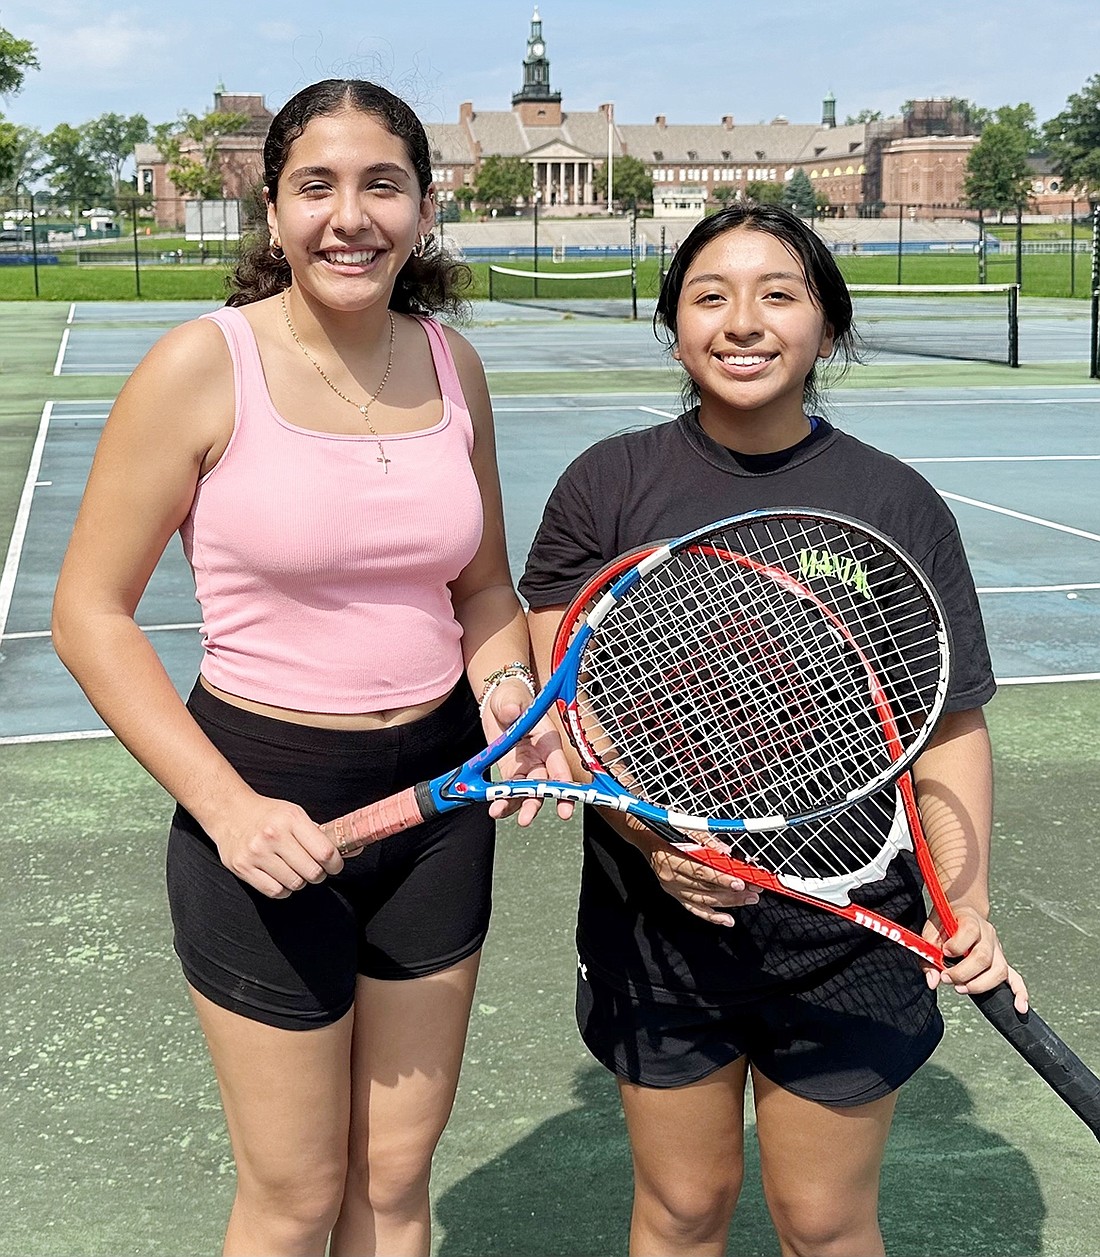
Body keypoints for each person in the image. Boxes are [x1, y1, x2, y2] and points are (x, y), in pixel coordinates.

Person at [52, 78, 569, 1257]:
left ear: (424, 206)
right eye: (316, 187)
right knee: (292, 1196)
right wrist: (227, 810)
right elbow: (88, 611)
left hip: (440, 804)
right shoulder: (202, 364)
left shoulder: (451, 365)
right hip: (263, 802)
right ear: (273, 212)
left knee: (391, 1183)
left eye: (381, 184)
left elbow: (480, 587)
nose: (351, 216)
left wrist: (503, 696)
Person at [520, 203, 1029, 1257]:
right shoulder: (602, 489)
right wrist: (655, 844)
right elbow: (568, 715)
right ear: (673, 328)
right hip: (655, 933)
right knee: (681, 1210)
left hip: (849, 931)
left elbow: (946, 724)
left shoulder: (895, 504)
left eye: (777, 295)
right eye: (708, 296)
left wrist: (963, 894)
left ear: (827, 331)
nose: (740, 322)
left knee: (823, 1221)